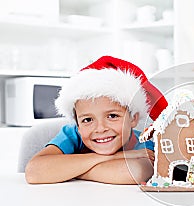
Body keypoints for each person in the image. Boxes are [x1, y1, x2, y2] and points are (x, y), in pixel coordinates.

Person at [25, 56, 168, 184]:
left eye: (112, 116)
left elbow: (135, 172)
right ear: (78, 125)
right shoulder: (73, 134)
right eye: (87, 119)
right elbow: (34, 171)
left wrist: (66, 171)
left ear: (133, 118)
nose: (100, 128)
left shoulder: (145, 143)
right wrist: (118, 157)